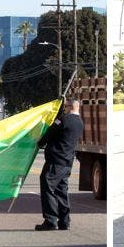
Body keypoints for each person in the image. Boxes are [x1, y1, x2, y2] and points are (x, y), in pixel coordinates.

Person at [36, 99, 84, 231]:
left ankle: (50, 220)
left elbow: (49, 134)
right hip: (67, 161)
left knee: (47, 186)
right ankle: (64, 221)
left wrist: (40, 143)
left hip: (56, 160)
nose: (64, 109)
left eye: (65, 107)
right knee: (61, 190)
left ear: (69, 107)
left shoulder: (63, 120)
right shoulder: (80, 122)